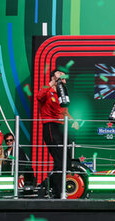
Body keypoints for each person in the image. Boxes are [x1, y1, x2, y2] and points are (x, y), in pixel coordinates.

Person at [37, 69, 79, 198]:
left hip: (62, 127)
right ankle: (58, 190)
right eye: (60, 76)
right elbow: (39, 96)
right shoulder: (47, 89)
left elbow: (64, 112)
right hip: (50, 126)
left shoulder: (63, 93)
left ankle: (47, 186)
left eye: (64, 77)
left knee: (66, 162)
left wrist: (74, 121)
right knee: (59, 160)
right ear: (54, 78)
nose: (63, 79)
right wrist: (53, 81)